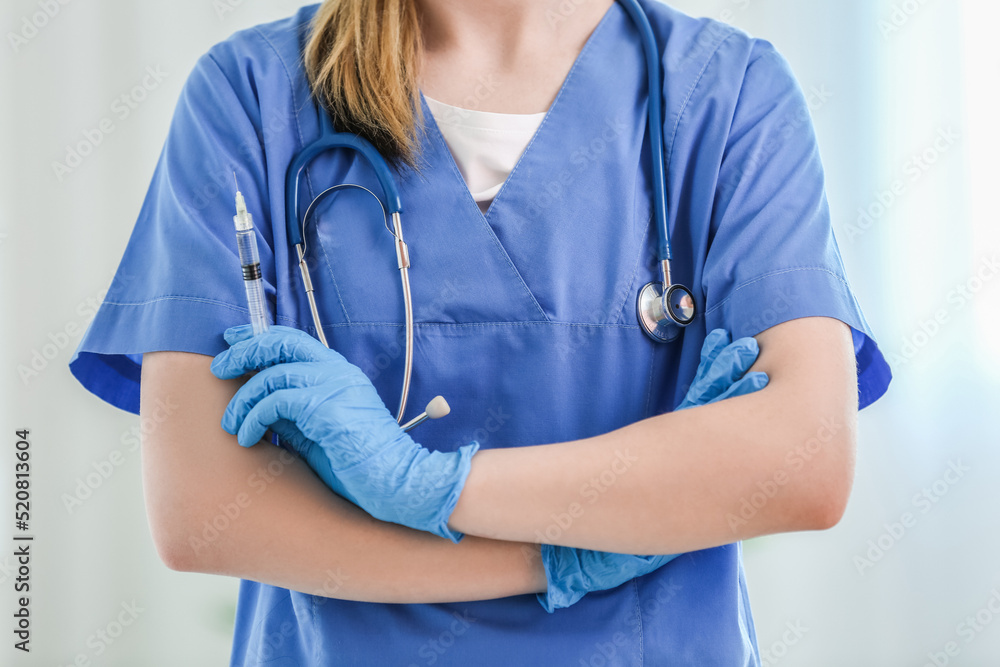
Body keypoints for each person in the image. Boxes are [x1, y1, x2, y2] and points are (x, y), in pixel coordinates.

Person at [69, 0, 891, 664]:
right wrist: (558, 560)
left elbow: (803, 460)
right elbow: (202, 510)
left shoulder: (728, 94)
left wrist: (426, 484)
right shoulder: (251, 95)